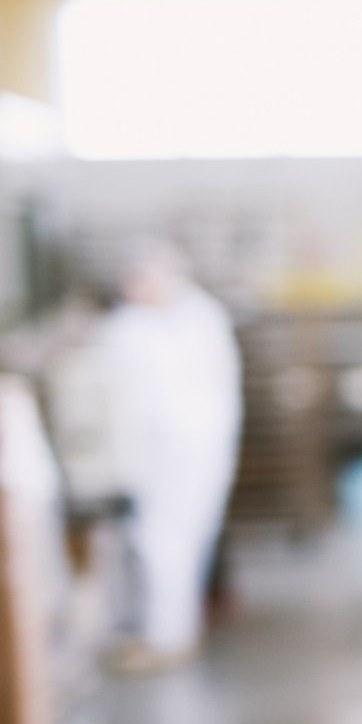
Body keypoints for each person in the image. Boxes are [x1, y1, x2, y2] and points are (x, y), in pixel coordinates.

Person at [82, 240, 243, 671]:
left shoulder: (194, 319)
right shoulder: (137, 324)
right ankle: (160, 633)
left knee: (169, 543)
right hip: (159, 457)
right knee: (154, 544)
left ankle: (167, 637)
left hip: (187, 456)